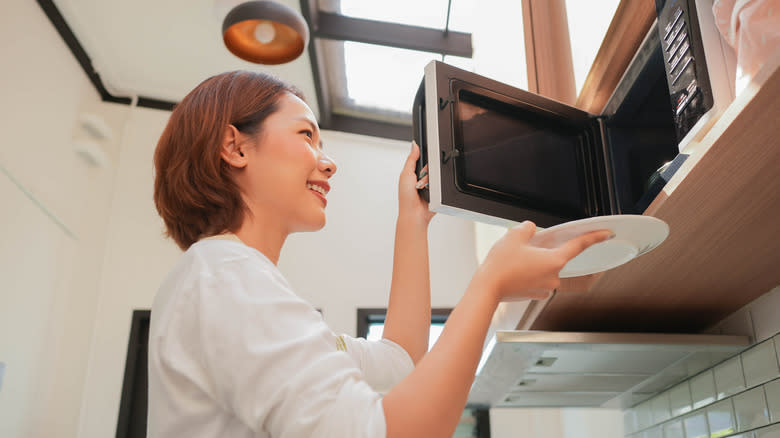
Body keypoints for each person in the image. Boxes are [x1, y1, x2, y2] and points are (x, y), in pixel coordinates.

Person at [149, 70, 611, 438]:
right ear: (234, 146)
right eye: (306, 135)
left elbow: (399, 363)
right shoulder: (226, 278)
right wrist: (489, 285)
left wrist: (411, 220)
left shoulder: (228, 280)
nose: (327, 161)